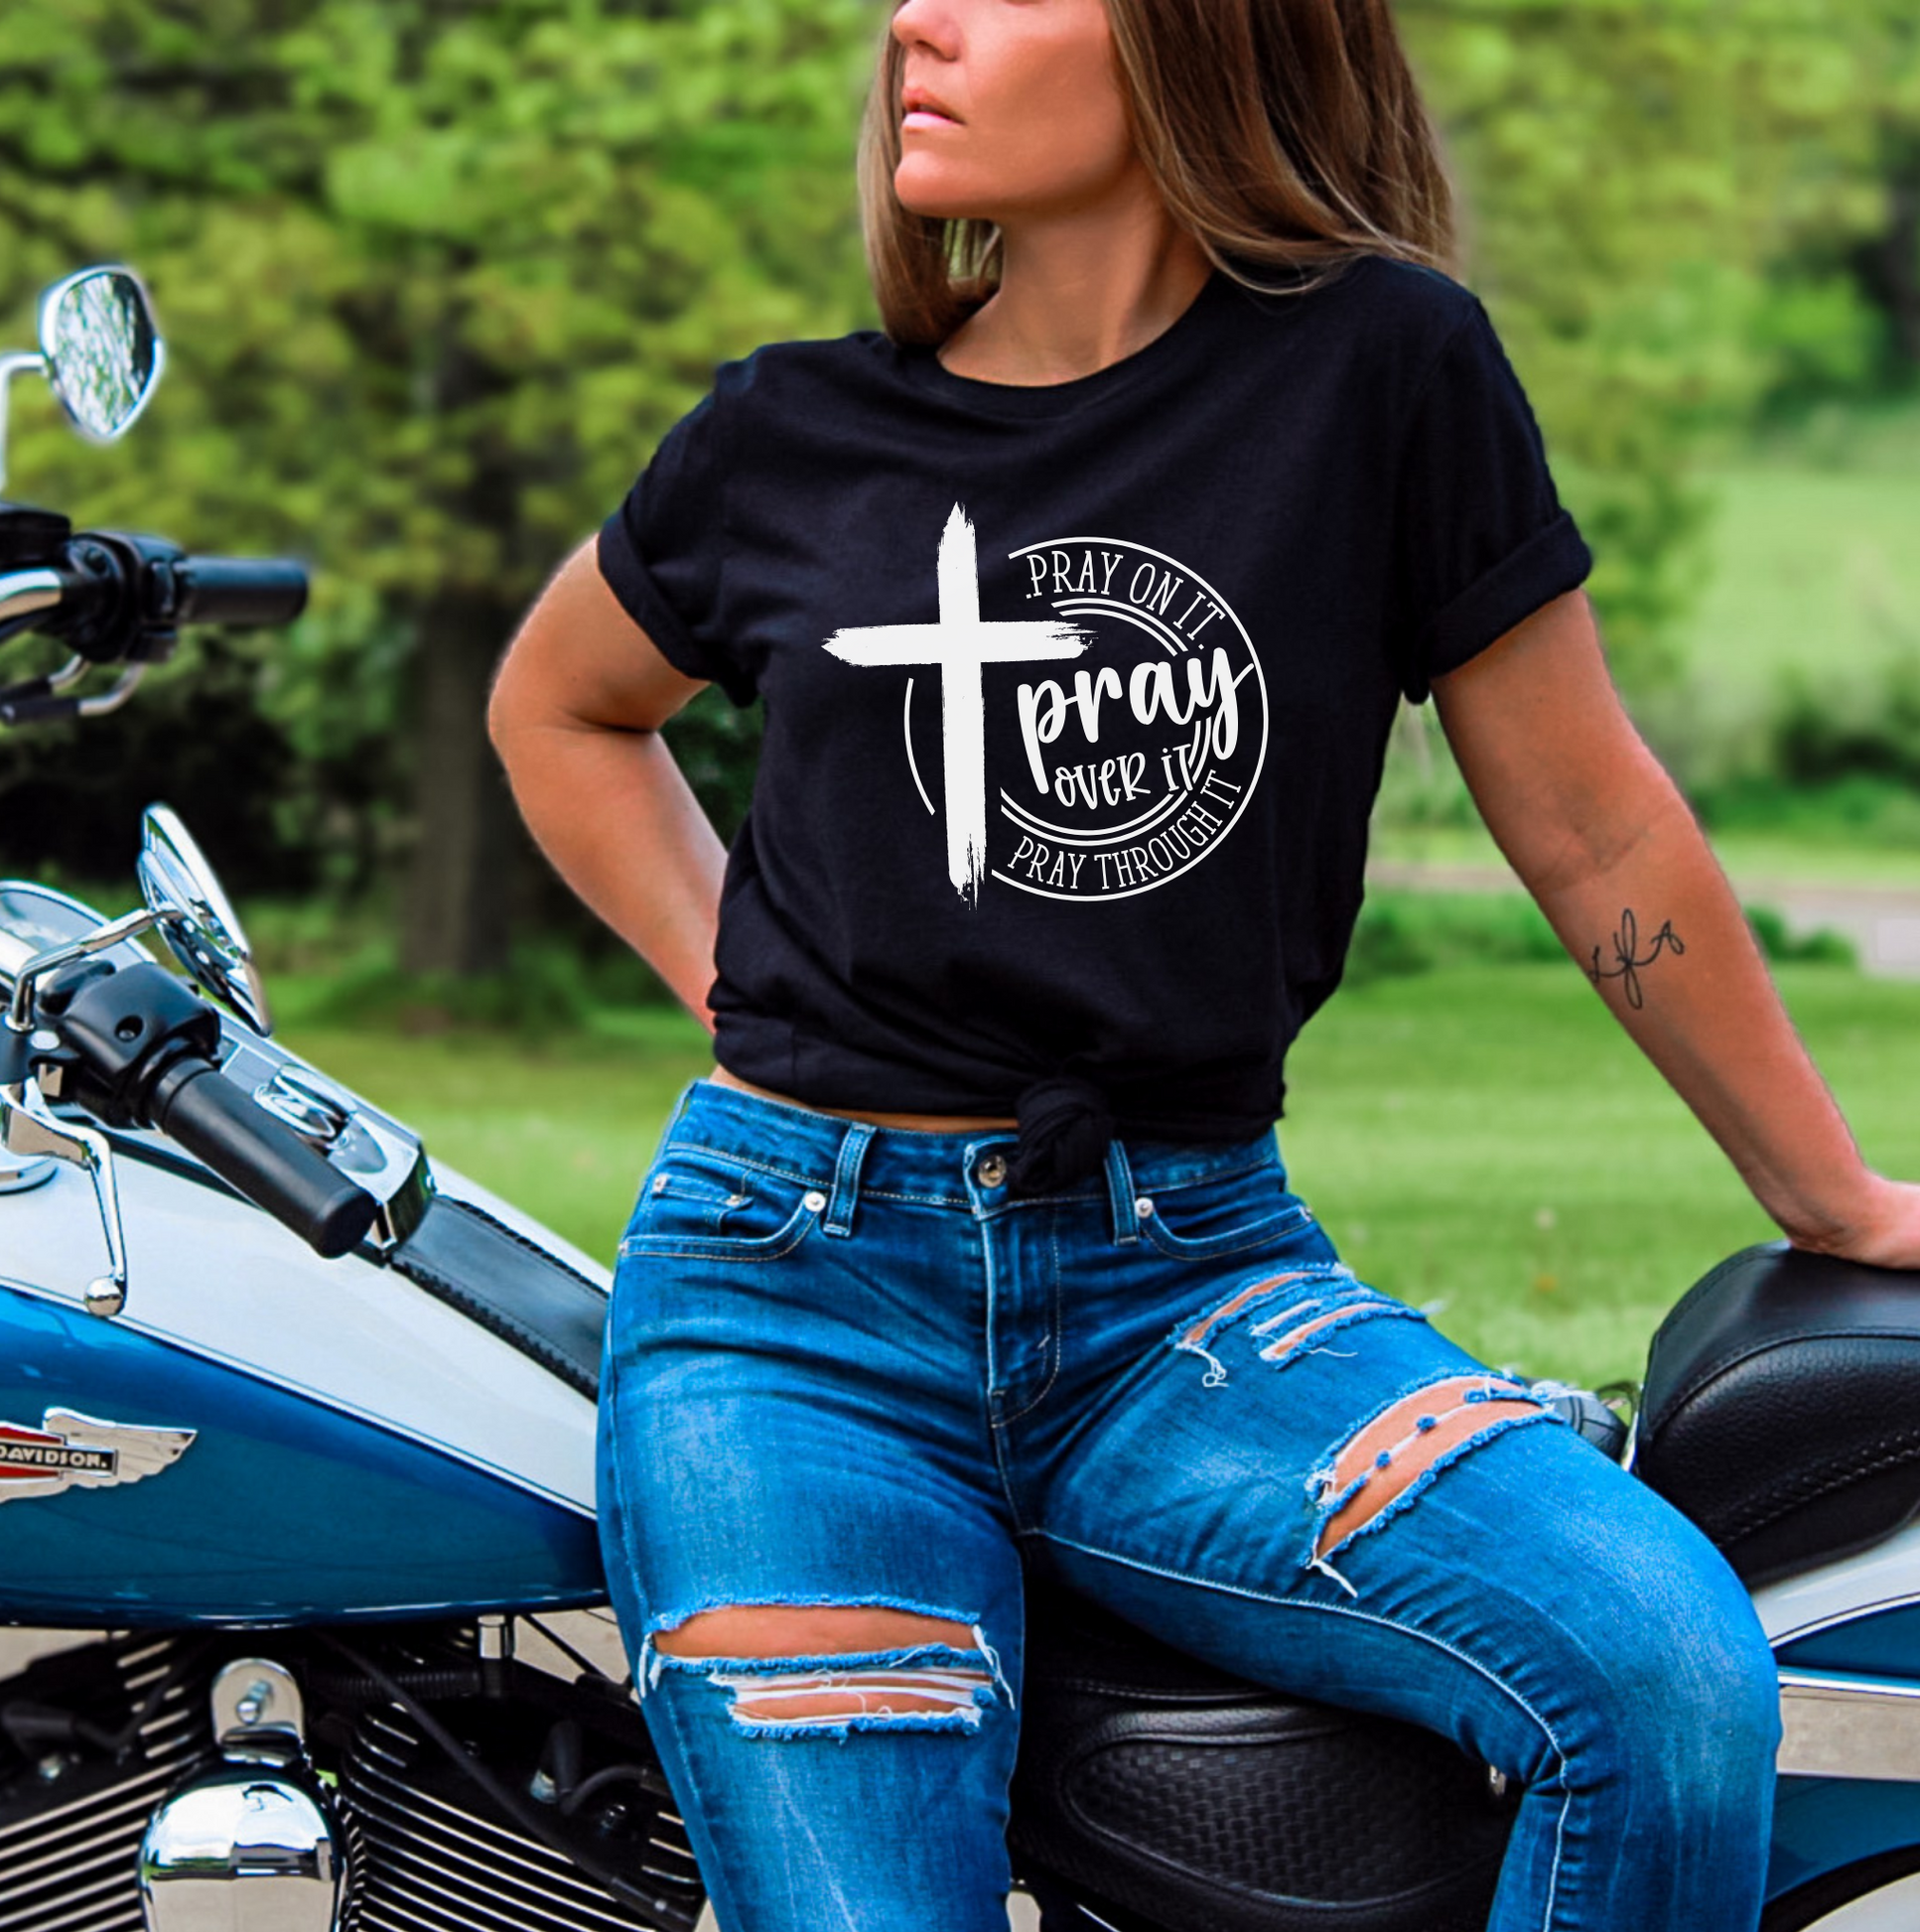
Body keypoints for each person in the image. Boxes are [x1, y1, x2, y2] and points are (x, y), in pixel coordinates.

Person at [487, 2, 1920, 1926]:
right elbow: (558, 705)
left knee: (1658, 1668)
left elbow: (1592, 828)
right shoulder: (786, 432)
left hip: (1191, 1291)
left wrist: (1824, 1190)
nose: (917, 19)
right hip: (787, 1319)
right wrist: (750, 990)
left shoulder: (1383, 372)